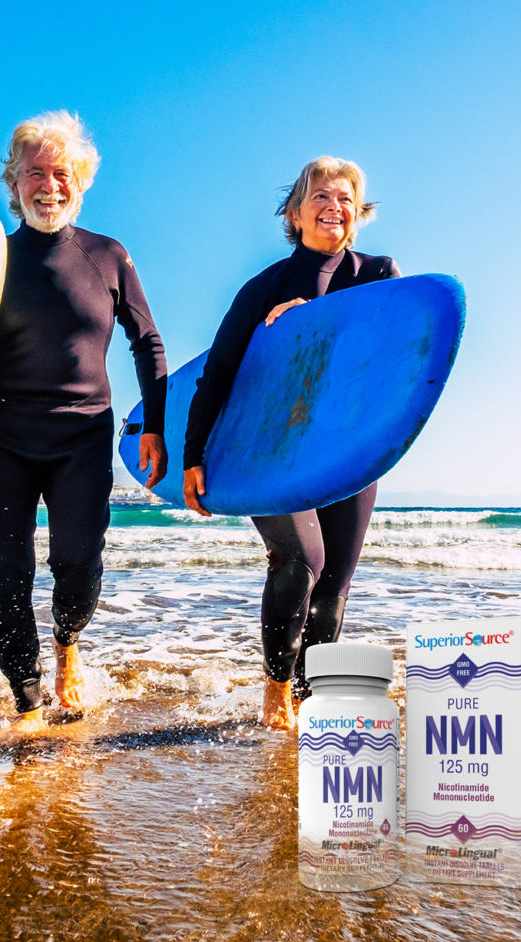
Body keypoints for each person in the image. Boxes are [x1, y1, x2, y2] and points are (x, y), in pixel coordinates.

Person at [0, 112, 167, 735]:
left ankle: (68, 645)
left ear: (80, 181)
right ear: (15, 182)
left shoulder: (108, 256)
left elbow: (147, 343)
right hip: (5, 436)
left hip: (83, 437)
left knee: (79, 565)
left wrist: (157, 427)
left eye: (61, 173)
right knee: (9, 570)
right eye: (35, 173)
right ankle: (27, 702)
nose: (48, 185)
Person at [182, 157, 400, 731]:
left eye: (346, 197)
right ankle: (277, 690)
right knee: (303, 557)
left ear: (359, 213)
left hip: (346, 449)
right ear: (295, 213)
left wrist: (319, 322)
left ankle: (312, 699)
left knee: (335, 582)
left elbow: (392, 357)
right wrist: (194, 457)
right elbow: (222, 372)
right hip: (270, 449)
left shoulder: (378, 274)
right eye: (321, 196)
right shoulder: (264, 288)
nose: (335, 205)